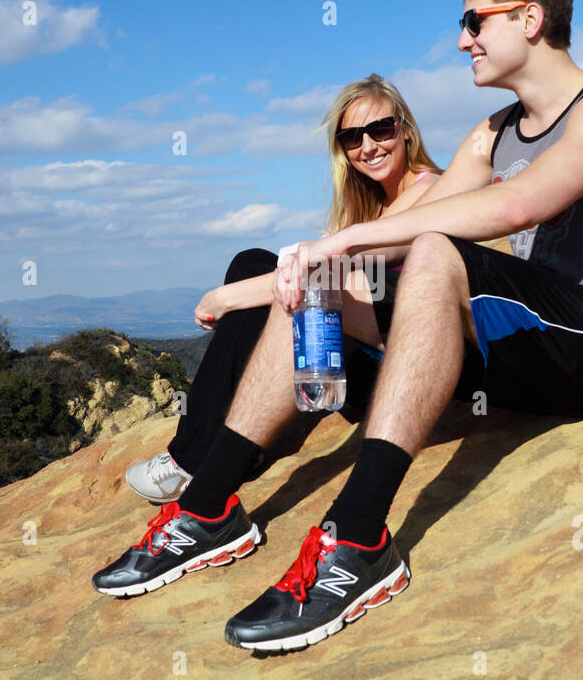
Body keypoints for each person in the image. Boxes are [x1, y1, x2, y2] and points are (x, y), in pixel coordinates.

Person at [93, 0, 583, 653]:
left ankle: (360, 538)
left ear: (530, 19)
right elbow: (419, 236)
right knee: (326, 286)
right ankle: (208, 507)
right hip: (532, 351)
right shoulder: (493, 130)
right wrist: (321, 264)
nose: (463, 40)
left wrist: (348, 240)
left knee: (432, 250)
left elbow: (524, 201)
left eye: (473, 21)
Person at [120, 73, 443, 505]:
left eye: (380, 129)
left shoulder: (433, 189)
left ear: (405, 128)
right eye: (351, 137)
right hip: (339, 363)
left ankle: (191, 463)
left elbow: (339, 271)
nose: (368, 146)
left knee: (260, 285)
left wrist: (225, 298)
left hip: (387, 376)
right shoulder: (368, 205)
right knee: (252, 262)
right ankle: (233, 443)